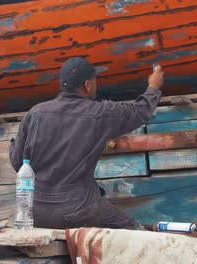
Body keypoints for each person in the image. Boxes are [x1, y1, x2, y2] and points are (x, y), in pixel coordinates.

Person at [10, 57, 164, 229]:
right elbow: (140, 111)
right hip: (78, 211)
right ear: (88, 85)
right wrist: (153, 87)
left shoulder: (35, 113)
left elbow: (18, 162)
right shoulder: (100, 113)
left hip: (35, 213)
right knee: (134, 232)